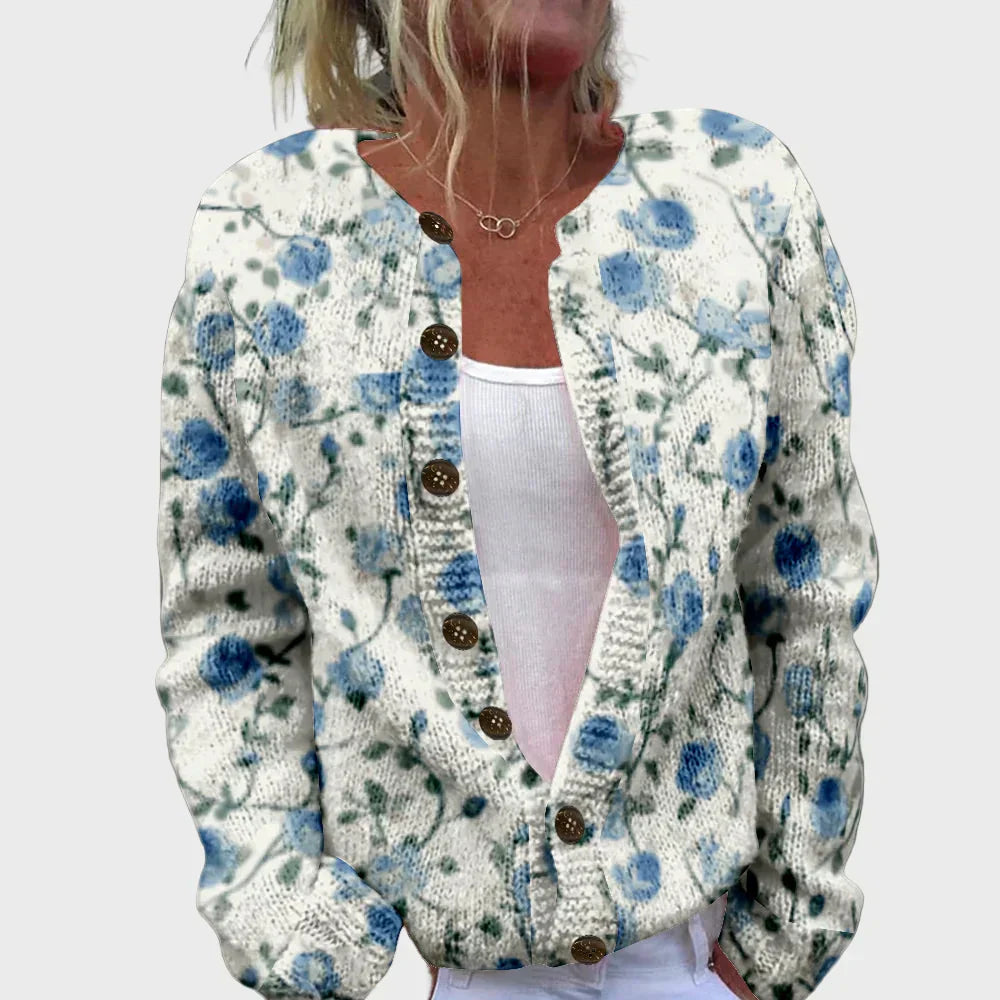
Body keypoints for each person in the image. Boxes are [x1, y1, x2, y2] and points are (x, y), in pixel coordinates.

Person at [154, 3, 877, 1000]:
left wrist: (774, 948)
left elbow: (807, 589)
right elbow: (229, 619)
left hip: (691, 962)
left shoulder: (735, 197)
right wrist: (305, 940)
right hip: (426, 972)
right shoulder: (266, 234)